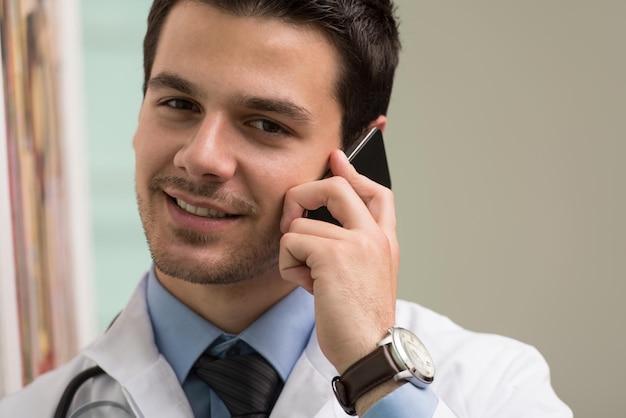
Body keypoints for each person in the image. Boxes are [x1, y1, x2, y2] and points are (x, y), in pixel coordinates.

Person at [0, 0, 572, 417]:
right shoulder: (34, 410)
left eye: (265, 124)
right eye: (178, 103)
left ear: (354, 156)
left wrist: (377, 379)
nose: (200, 157)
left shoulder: (497, 389)